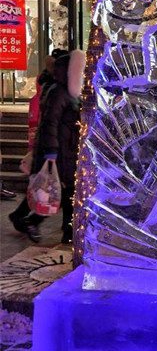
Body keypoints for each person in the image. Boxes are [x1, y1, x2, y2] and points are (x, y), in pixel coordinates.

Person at [9, 50, 85, 244]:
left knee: (62, 191)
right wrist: (50, 152)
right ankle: (31, 220)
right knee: (56, 192)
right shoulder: (58, 92)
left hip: (66, 151)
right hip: (56, 152)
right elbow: (49, 123)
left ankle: (66, 231)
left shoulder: (69, 91)